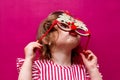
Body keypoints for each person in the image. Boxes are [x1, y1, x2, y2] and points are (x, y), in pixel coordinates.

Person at [17, 10, 102, 80]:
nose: (73, 29)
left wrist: (93, 69)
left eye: (77, 27)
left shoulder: (83, 70)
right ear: (46, 39)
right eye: (64, 25)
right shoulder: (38, 68)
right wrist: (28, 59)